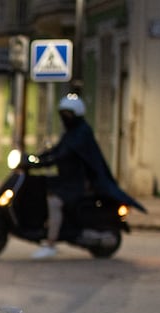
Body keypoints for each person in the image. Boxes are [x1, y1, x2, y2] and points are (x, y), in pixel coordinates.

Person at [30, 93, 130, 259]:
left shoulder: (81, 133)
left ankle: (50, 243)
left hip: (77, 183)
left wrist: (46, 161)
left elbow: (64, 154)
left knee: (54, 202)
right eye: (63, 114)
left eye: (67, 115)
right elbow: (57, 150)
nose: (64, 118)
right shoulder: (71, 132)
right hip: (67, 180)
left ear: (75, 114)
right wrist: (36, 158)